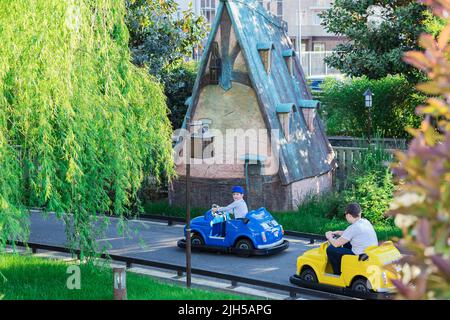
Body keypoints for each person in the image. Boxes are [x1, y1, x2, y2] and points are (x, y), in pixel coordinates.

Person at [325, 203, 378, 275]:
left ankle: (337, 273)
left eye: (345, 215)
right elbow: (348, 234)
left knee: (331, 249)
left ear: (349, 215)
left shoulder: (353, 228)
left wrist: (329, 236)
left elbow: (336, 244)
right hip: (369, 253)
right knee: (346, 242)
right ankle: (344, 264)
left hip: (359, 256)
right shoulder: (365, 222)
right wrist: (337, 232)